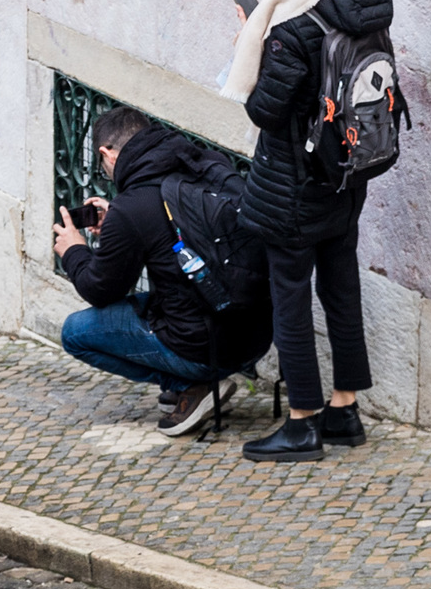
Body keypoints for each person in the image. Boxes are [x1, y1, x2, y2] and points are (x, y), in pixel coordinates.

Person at [226, 0, 392, 462]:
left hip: (294, 183)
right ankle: (345, 408)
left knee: (290, 296)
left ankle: (302, 422)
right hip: (348, 173)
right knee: (340, 284)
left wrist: (256, 44)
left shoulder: (295, 21)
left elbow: (265, 112)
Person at [52, 110, 274, 437]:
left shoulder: (133, 208)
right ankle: (198, 379)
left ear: (106, 154)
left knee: (75, 332)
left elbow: (99, 289)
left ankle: (189, 384)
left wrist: (73, 250)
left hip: (204, 349)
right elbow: (173, 225)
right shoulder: (204, 162)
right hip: (256, 338)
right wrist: (117, 222)